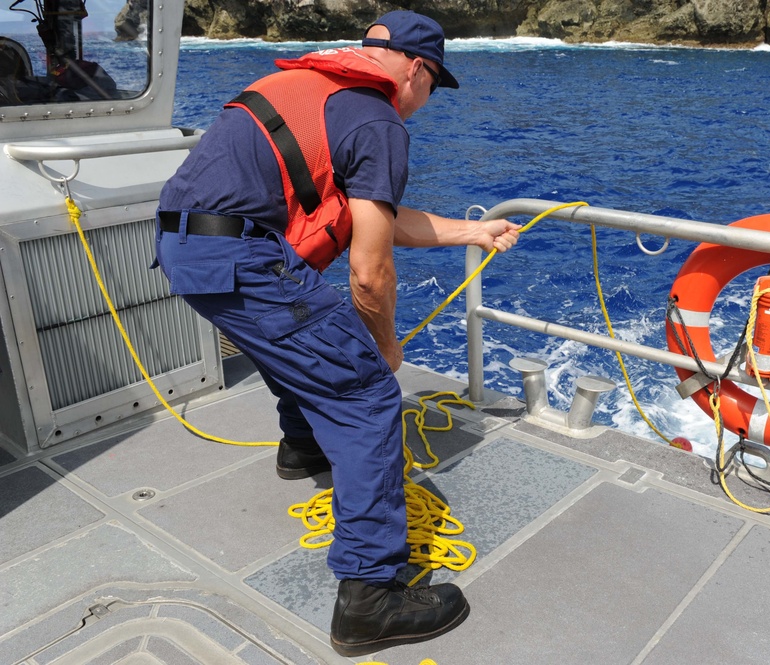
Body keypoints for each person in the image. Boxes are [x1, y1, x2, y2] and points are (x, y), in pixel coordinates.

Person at [154, 10, 520, 656]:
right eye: (432, 87)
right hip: (242, 259)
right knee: (366, 396)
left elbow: (373, 216)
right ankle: (369, 598)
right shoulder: (378, 118)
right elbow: (370, 271)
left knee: (301, 336)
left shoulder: (317, 89)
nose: (424, 103)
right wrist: (383, 347)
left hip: (188, 248)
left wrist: (475, 230)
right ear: (417, 70)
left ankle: (302, 449)